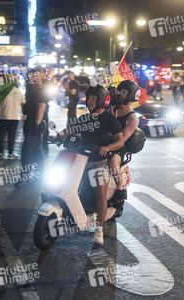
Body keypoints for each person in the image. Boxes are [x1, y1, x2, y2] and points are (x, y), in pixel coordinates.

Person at [55, 85, 124, 244]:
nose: (90, 101)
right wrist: (55, 137)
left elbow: (119, 141)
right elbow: (69, 131)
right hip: (80, 159)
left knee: (99, 192)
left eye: (94, 98)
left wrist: (107, 148)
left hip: (98, 161)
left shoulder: (110, 120)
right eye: (89, 98)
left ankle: (99, 229)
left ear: (102, 100)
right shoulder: (84, 118)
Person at [108, 80, 139, 210]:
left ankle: (120, 191)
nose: (120, 94)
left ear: (131, 96)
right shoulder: (114, 109)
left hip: (120, 147)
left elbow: (122, 139)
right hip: (104, 142)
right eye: (119, 91)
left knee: (113, 162)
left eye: (124, 92)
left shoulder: (132, 118)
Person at [15, 68, 48, 186]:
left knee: (27, 151)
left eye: (36, 75)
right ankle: (38, 176)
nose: (33, 77)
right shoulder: (33, 90)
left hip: (35, 124)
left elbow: (41, 108)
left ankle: (26, 176)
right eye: (31, 75)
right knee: (36, 151)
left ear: (42, 76)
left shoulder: (41, 91)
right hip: (32, 122)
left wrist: (36, 125)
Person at [0, 77, 25, 159]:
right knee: (11, 136)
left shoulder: (2, 91)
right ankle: (10, 154)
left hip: (3, 116)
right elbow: (23, 103)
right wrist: (24, 114)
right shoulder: (18, 92)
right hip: (15, 117)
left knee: (1, 135)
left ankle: (1, 152)